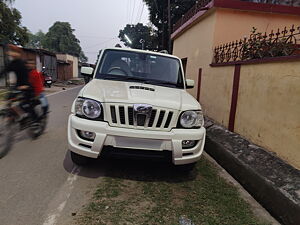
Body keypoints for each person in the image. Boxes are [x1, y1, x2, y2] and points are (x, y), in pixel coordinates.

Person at [0, 44, 37, 121]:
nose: (11, 54)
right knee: (9, 98)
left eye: (14, 52)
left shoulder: (22, 63)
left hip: (26, 85)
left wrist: (25, 85)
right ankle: (11, 117)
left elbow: (26, 76)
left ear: (18, 53)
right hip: (17, 85)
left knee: (26, 105)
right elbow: (4, 72)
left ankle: (33, 120)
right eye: (10, 52)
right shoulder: (12, 64)